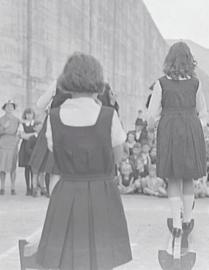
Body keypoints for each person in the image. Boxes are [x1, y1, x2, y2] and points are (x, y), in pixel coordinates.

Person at [19, 53, 132, 270]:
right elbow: (117, 156)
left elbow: (55, 151)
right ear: (97, 80)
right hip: (102, 192)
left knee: (66, 257)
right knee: (101, 259)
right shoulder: (109, 116)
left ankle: (32, 249)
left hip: (66, 191)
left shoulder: (54, 117)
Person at [148, 41, 207, 268]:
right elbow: (203, 112)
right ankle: (188, 220)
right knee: (188, 177)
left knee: (173, 176)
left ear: (170, 60)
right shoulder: (196, 83)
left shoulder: (161, 83)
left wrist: (156, 126)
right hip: (191, 127)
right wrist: (194, 126)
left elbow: (152, 114)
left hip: (170, 129)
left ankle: (176, 222)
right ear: (189, 60)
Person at [0, 100, 20, 195]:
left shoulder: (17, 120)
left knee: (13, 167)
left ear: (13, 108)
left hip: (13, 144)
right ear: (4, 108)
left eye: (11, 106)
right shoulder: (1, 119)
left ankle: (13, 187)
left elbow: (20, 132)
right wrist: (3, 128)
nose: (10, 108)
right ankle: (2, 187)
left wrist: (17, 139)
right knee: (2, 167)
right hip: (3, 143)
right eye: (8, 106)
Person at [18, 108, 38, 196]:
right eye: (27, 114)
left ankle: (34, 187)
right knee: (27, 167)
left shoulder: (36, 123)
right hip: (25, 147)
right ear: (25, 115)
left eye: (30, 114)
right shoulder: (22, 124)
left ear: (33, 114)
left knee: (33, 168)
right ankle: (28, 188)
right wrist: (34, 134)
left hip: (34, 147)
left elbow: (39, 133)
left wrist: (28, 135)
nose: (29, 115)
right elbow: (23, 136)